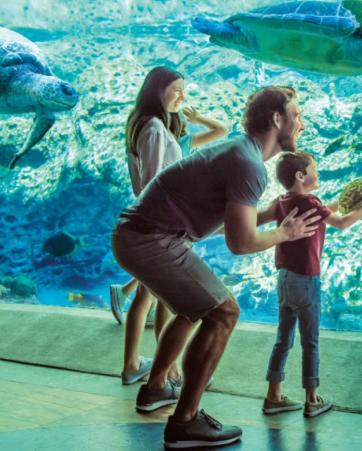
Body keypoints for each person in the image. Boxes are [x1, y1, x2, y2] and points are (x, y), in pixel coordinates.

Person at [111, 86, 319, 449]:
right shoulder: (249, 164)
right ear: (276, 119)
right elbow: (239, 243)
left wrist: (272, 214)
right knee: (223, 312)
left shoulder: (241, 152)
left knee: (196, 309)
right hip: (149, 239)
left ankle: (155, 388)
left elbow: (228, 221)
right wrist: (286, 233)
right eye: (296, 115)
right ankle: (185, 424)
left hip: (140, 236)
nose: (301, 123)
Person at [116, 67, 228, 387]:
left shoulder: (153, 125)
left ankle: (154, 367)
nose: (182, 96)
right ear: (157, 90)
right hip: (161, 227)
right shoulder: (153, 127)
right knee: (170, 300)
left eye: (184, 89)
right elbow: (153, 184)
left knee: (156, 298)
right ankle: (166, 371)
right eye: (176, 89)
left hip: (160, 225)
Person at [261, 151, 362, 418]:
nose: (319, 173)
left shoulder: (283, 200)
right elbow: (342, 223)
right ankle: (312, 399)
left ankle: (273, 396)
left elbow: (324, 211)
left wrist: (343, 201)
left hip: (284, 279)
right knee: (310, 342)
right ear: (300, 176)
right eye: (314, 169)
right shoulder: (311, 200)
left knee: (283, 339)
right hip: (306, 280)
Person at [110, 106, 229, 325]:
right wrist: (199, 117)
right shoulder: (180, 144)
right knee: (152, 285)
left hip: (167, 216)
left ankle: (126, 294)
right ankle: (138, 353)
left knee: (155, 278)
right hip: (171, 217)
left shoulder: (167, 143)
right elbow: (221, 130)